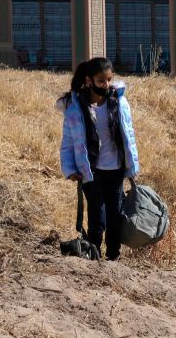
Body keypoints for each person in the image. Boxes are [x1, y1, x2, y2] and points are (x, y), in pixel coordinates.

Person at [58, 57, 140, 261]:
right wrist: (70, 169)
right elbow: (68, 141)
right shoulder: (76, 108)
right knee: (97, 219)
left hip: (115, 169)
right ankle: (93, 257)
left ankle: (113, 258)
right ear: (89, 80)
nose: (107, 85)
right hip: (90, 170)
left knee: (115, 218)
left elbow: (129, 134)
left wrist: (132, 164)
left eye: (109, 80)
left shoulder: (118, 102)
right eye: (101, 81)